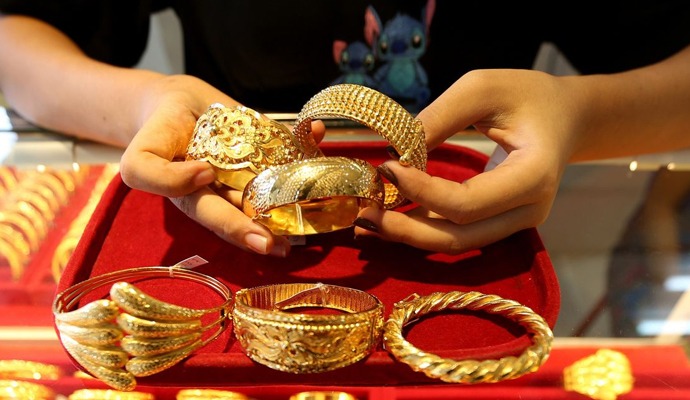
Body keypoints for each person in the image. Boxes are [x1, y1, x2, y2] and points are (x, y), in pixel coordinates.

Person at [1, 1, 690, 258]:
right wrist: (144, 103)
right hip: (233, 221)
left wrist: (579, 114)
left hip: (480, 224)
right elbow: (15, 38)